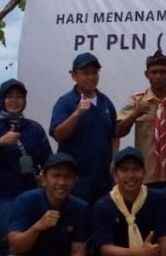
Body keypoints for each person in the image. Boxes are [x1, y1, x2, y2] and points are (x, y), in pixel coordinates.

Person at [0, 152, 95, 256]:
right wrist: (37, 227)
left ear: (75, 181)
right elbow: (15, 246)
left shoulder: (80, 208)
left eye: (67, 177)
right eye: (56, 176)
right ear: (43, 179)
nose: (61, 182)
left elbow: (78, 250)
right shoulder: (25, 201)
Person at [0, 79, 52, 253]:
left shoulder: (34, 128)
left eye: (19, 97)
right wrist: (0, 142)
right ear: (2, 100)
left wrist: (46, 178)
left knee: (37, 239)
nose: (14, 101)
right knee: (8, 241)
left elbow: (48, 159)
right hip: (2, 197)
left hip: (32, 193)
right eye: (9, 97)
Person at [115, 49, 166, 187]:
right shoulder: (136, 100)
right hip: (144, 176)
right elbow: (119, 131)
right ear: (147, 74)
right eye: (154, 72)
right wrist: (135, 114)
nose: (158, 76)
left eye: (162, 72)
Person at [50, 52, 119, 203]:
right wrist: (77, 113)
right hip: (76, 181)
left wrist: (114, 160)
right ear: (74, 75)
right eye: (85, 73)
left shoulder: (105, 102)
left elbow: (115, 134)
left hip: (103, 180)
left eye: (94, 73)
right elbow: (58, 135)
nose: (91, 77)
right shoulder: (65, 102)